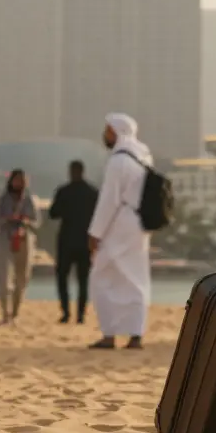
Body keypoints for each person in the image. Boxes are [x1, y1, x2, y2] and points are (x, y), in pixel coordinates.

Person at [86, 113, 152, 351]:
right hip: (139, 224)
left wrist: (95, 233)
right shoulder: (143, 157)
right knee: (135, 278)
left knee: (102, 276)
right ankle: (135, 335)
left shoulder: (118, 161)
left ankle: (109, 335)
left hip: (120, 222)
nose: (105, 134)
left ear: (117, 132)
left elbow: (108, 201)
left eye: (108, 130)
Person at [49, 160, 98, 324]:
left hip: (66, 240)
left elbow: (53, 213)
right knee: (83, 280)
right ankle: (80, 314)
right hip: (85, 241)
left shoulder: (64, 191)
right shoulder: (92, 193)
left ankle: (66, 312)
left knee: (62, 277)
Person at [0, 169, 38, 325]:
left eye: (23, 180)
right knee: (5, 278)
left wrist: (25, 222)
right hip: (6, 239)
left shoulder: (29, 199)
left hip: (24, 239)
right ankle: (5, 314)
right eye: (17, 179)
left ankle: (15, 313)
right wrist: (8, 219)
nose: (19, 183)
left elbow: (36, 221)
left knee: (22, 278)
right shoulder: (3, 199)